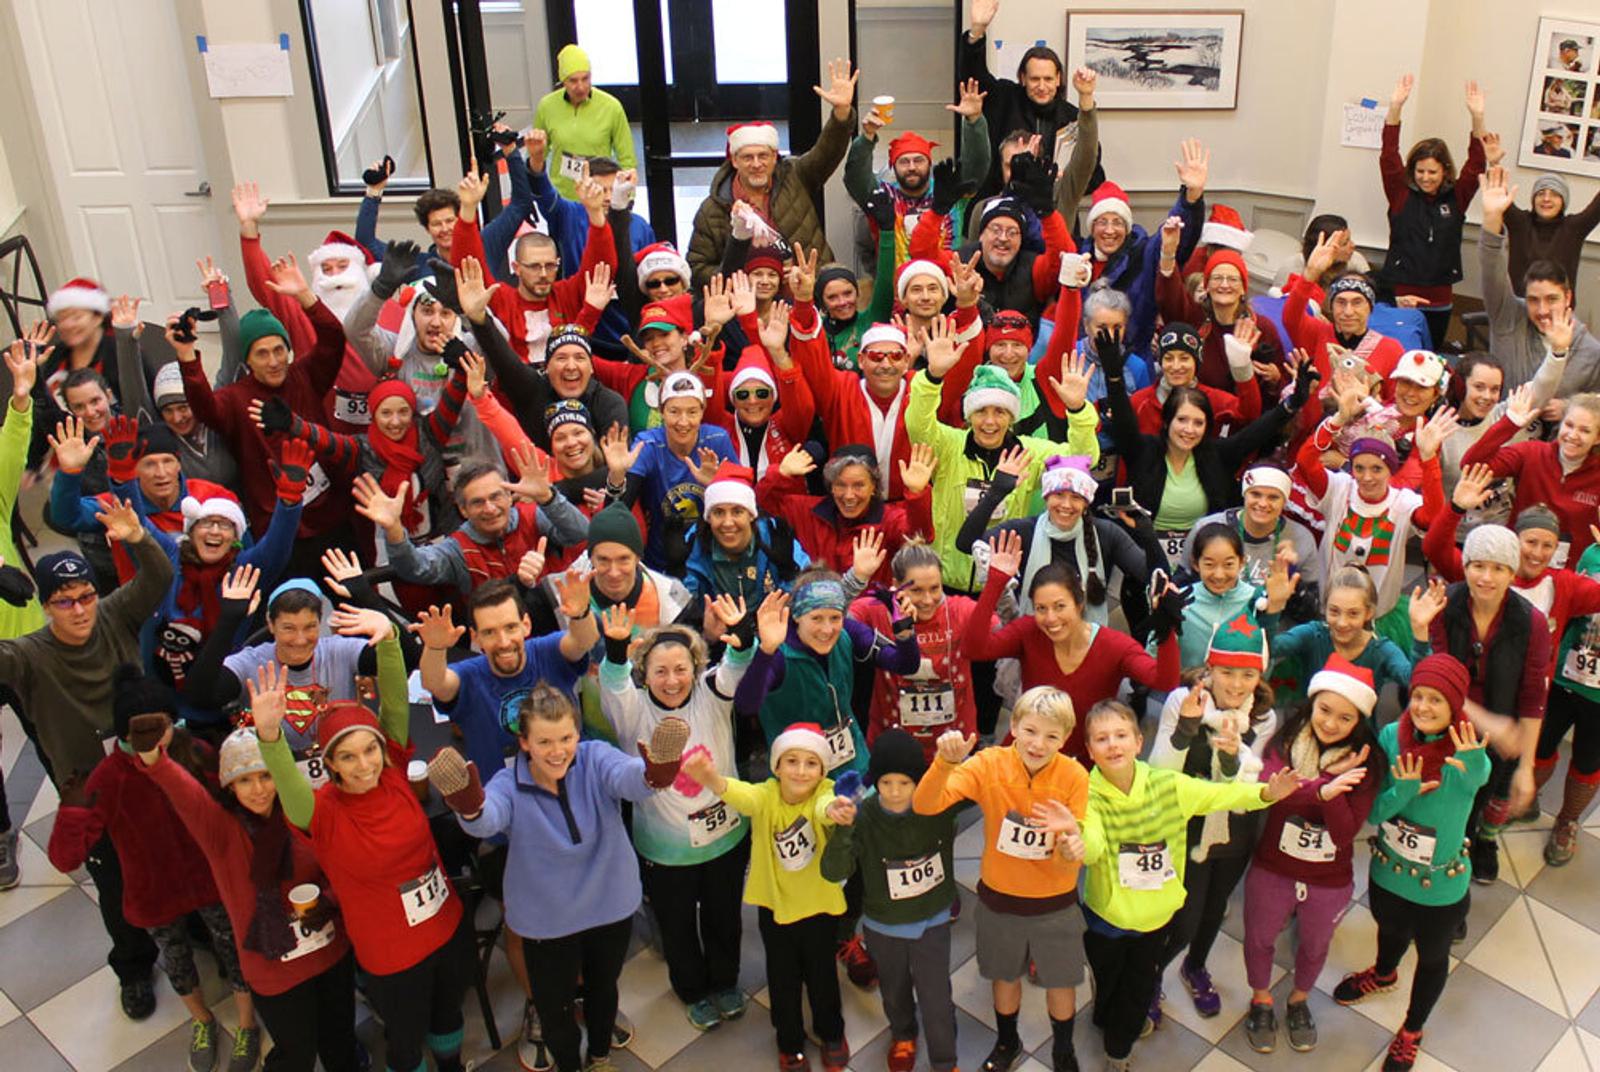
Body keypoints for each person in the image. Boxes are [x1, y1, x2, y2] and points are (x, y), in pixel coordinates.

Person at [256, 616, 477, 1072]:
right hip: (392, 955)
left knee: (449, 1014)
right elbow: (286, 785)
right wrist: (270, 738)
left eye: (370, 750)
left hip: (447, 925)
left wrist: (390, 640)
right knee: (405, 1040)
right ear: (331, 764)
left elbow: (394, 704)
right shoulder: (321, 813)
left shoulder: (393, 772)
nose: (364, 765)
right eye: (348, 756)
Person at [435, 678, 682, 1072]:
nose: (557, 751)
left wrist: (654, 774)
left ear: (577, 734)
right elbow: (488, 819)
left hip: (609, 904)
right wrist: (471, 806)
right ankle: (569, 1065)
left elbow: (628, 778)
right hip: (545, 920)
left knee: (603, 990)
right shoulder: (508, 783)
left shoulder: (596, 757)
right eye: (545, 742)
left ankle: (599, 1057)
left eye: (566, 738)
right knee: (555, 1008)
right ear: (525, 743)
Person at [415, 578, 596, 1067]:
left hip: (573, 811)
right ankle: (539, 1006)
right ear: (475, 638)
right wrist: (435, 647)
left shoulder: (546, 651)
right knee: (522, 925)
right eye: (490, 632)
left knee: (582, 911)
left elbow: (580, 642)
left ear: (526, 624)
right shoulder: (470, 674)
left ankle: (581, 994)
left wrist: (580, 612)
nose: (503, 640)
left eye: (510, 627)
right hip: (509, 831)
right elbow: (437, 684)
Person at [0, 499, 169, 1018]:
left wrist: (138, 537)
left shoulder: (115, 615)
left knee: (171, 856)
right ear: (46, 607)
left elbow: (158, 578)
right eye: (64, 601)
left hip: (150, 772)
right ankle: (134, 967)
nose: (79, 609)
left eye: (86, 596)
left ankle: (190, 932)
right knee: (115, 883)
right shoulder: (28, 656)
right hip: (92, 795)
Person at [1069, 699, 1300, 1072]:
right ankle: (1106, 1014)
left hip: (1156, 916)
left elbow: (1220, 796)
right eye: (1102, 738)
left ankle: (1118, 1051)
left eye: (1121, 735)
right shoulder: (1086, 794)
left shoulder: (1168, 785)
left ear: (1138, 742)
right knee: (1108, 979)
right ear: (1090, 749)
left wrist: (1266, 794)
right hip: (1106, 917)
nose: (1113, 745)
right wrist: (1075, 843)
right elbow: (1092, 845)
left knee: (1138, 986)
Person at [47, 668, 258, 1072]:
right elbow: (66, 858)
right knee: (176, 959)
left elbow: (236, 805)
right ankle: (201, 1020)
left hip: (211, 880)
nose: (154, 739)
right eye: (141, 730)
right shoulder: (108, 777)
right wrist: (72, 811)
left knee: (235, 949)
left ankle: (247, 1023)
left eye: (160, 726)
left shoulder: (194, 751)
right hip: (153, 890)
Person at [142, 694, 361, 1072]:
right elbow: (186, 795)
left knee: (341, 1043)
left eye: (265, 776)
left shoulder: (304, 812)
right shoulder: (221, 832)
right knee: (297, 1054)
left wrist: (328, 898)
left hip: (330, 952)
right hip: (274, 970)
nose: (258, 789)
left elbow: (341, 869)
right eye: (245, 780)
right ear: (230, 786)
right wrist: (154, 760)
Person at [598, 594, 777, 1030]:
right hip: (665, 851)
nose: (672, 680)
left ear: (696, 667)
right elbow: (614, 686)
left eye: (681, 669)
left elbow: (736, 666)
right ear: (645, 674)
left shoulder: (711, 692)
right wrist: (616, 650)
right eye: (660, 671)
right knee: (677, 926)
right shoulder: (633, 709)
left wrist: (743, 635)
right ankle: (692, 990)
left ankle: (725, 982)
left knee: (724, 917)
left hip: (726, 840)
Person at [913, 688, 1089, 1072]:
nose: (1038, 744)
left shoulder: (1075, 776)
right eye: (1030, 731)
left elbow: (1073, 845)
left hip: (1056, 902)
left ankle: (1063, 1050)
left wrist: (1071, 845)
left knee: (1060, 981)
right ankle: (1007, 1041)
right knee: (1003, 975)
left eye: (1051, 736)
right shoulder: (988, 764)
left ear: (1065, 738)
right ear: (1014, 725)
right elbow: (926, 805)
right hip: (1000, 898)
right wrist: (945, 763)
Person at [1332, 654, 1489, 1072]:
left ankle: (1412, 1030)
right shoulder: (1390, 736)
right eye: (1418, 696)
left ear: (1454, 706)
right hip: (1389, 871)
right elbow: (1375, 812)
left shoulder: (1466, 750)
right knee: (1390, 929)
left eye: (1436, 700)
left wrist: (1476, 764)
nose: (1423, 706)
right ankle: (1384, 974)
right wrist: (1402, 790)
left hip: (1439, 885)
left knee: (1433, 955)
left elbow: (1478, 777)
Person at [682, 723, 857, 1072]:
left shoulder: (824, 792)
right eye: (791, 761)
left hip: (820, 908)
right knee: (782, 978)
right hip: (776, 909)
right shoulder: (766, 795)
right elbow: (741, 795)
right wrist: (711, 778)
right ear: (776, 766)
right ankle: (789, 1041)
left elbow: (825, 807)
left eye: (811, 763)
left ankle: (831, 1031)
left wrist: (836, 811)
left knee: (822, 974)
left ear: (823, 770)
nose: (800, 771)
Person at [1242, 655, 1383, 1054]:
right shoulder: (1287, 741)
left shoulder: (1367, 762)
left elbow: (1344, 833)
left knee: (1316, 944)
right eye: (1325, 710)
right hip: (1273, 865)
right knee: (1259, 937)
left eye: (1345, 717)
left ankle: (1299, 999)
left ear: (1359, 721)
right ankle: (1261, 999)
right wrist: (1325, 788)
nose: (1331, 724)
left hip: (1328, 879)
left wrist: (1329, 794)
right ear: (1312, 703)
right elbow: (1274, 792)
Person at [1147, 616, 1279, 1032]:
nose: (1237, 685)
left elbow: (1246, 789)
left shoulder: (1263, 718)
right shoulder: (1182, 700)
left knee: (1215, 907)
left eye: (1248, 675)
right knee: (1185, 918)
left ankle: (1196, 966)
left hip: (1236, 829)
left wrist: (1231, 758)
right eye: (1226, 672)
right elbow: (1158, 773)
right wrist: (1187, 727)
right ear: (1210, 668)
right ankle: (1151, 975)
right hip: (1187, 826)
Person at [908, 314, 1099, 593]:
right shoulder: (949, 445)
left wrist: (1078, 410)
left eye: (999, 412)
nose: (989, 422)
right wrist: (932, 377)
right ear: (969, 416)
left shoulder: (1029, 453)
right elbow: (918, 424)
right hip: (945, 581)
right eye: (980, 412)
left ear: (1011, 418)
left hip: (1002, 583)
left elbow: (1082, 460)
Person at [175, 257, 352, 557]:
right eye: (262, 354)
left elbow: (333, 339)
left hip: (332, 517)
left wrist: (305, 297)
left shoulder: (305, 375)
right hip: (279, 530)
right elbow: (204, 407)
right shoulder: (235, 398)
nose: (273, 361)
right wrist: (187, 356)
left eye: (279, 350)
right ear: (247, 360)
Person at [962, 529, 1185, 762]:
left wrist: (1166, 630)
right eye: (1041, 608)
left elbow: (1164, 681)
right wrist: (996, 582)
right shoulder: (1028, 631)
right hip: (1026, 756)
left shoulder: (1114, 646)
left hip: (1084, 765)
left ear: (1079, 604)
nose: (1050, 618)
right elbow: (974, 649)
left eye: (1060, 606)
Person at [1103, 329, 1314, 564]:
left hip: (1204, 561)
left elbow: (1257, 431)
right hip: (1145, 556)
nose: (1189, 430)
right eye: (1182, 420)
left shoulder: (1216, 454)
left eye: (1198, 423)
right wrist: (1114, 378)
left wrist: (1293, 403)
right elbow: (1124, 423)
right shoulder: (1144, 450)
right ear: (1167, 422)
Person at [822, 729, 962, 1072]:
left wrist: (953, 762)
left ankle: (945, 1059)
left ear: (919, 782)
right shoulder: (864, 814)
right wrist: (843, 829)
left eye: (905, 783)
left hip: (932, 919)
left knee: (936, 995)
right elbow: (833, 871)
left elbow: (980, 789)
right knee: (894, 989)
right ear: (875, 782)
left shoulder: (938, 805)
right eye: (886, 783)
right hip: (883, 924)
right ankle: (903, 1033)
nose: (895, 792)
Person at [1427, 524, 1552, 886]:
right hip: (1446, 720)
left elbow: (1533, 696)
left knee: (1484, 795)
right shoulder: (1445, 605)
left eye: (1499, 568)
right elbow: (1435, 678)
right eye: (1478, 565)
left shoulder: (1531, 622)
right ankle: (1446, 858)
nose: (1486, 577)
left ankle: (1476, 843)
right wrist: (1485, 721)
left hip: (1501, 728)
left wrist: (1526, 767)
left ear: (1513, 573)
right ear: (1465, 566)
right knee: (1445, 799)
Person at [687, 60, 859, 288]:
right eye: (747, 157)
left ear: (775, 156)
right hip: (750, 299)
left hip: (809, 287)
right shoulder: (712, 209)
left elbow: (826, 153)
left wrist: (841, 113)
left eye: (763, 156)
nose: (756, 164)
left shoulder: (794, 176)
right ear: (734, 161)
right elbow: (698, 269)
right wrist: (752, 277)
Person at [1294, 397, 1447, 646]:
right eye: (1359, 468)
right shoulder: (1338, 489)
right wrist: (1338, 419)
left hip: (1379, 617)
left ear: (1390, 470)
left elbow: (1433, 517)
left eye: (1377, 469)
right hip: (1331, 614)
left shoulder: (1403, 503)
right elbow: (1306, 460)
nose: (1366, 477)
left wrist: (1429, 459)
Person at [232, 184, 380, 433]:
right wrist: (249, 228)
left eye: (342, 266)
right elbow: (264, 283)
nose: (334, 276)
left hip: (385, 430)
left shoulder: (389, 311)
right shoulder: (304, 315)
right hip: (323, 432)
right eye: (326, 269)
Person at [960, 454, 1163, 627]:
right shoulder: (1024, 531)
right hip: (1031, 639)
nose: (1066, 505)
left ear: (1086, 503)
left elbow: (1153, 574)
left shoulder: (1106, 533)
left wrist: (1147, 533)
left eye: (1076, 497)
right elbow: (966, 543)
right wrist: (995, 494)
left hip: (1087, 642)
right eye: (1058, 494)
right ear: (1046, 497)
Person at [360, 455, 589, 595]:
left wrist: (548, 497)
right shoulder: (458, 548)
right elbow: (416, 568)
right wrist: (394, 529)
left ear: (510, 497)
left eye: (496, 497)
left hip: (558, 623)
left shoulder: (532, 516)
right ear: (463, 510)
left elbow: (581, 533)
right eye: (478, 502)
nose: (490, 508)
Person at [450, 172, 615, 363]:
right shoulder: (500, 298)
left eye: (550, 266)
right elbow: (468, 265)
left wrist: (595, 214)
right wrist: (468, 209)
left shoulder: (567, 295)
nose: (544, 274)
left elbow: (602, 268)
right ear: (516, 267)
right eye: (534, 266)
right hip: (514, 381)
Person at [850, 540, 989, 760]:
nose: (927, 600)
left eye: (935, 588)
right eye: (916, 590)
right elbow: (831, 618)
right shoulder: (876, 610)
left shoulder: (960, 609)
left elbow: (1007, 631)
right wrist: (855, 579)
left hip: (955, 747)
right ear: (895, 585)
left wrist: (1000, 587)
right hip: (893, 748)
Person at [1377, 75, 1489, 348]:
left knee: (1431, 354)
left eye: (1432, 172)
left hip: (1439, 295)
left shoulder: (1456, 197)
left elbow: (1477, 163)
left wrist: (1477, 118)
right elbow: (1389, 154)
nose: (1425, 178)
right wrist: (1395, 108)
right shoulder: (1400, 193)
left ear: (1445, 172)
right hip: (1401, 292)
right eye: (1420, 171)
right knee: (1398, 352)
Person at [1477, 166, 1600, 398]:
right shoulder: (1507, 316)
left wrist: (1566, 407)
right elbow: (1491, 263)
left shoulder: (1588, 350)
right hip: (1513, 314)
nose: (1543, 310)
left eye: (1551, 299)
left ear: (1567, 297)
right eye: (1541, 193)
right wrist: (1492, 216)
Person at [959, 0, 1103, 197]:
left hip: (1052, 207)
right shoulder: (1005, 98)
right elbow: (974, 79)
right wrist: (977, 31)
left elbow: (1095, 173)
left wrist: (1065, 179)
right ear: (1023, 78)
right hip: (998, 204)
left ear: (1058, 79)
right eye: (1035, 79)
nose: (1042, 87)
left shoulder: (1072, 118)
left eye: (1048, 79)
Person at [844, 79, 991, 267]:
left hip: (947, 280)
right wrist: (867, 137)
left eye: (919, 160)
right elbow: (855, 178)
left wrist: (974, 122)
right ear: (893, 167)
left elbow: (977, 167)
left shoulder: (949, 192)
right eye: (904, 161)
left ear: (930, 164)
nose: (912, 167)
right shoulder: (882, 198)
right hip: (896, 284)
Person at [1461, 385, 1600, 566]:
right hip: (1516, 565)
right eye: (1569, 425)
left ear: (1597, 438)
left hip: (1574, 573)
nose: (1573, 435)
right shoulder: (1532, 452)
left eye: (1585, 430)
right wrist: (1509, 424)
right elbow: (1472, 464)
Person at [759, 443, 936, 585]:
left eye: (859, 485)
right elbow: (761, 507)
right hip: (816, 611)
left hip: (870, 613)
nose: (849, 495)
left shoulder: (889, 519)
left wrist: (917, 494)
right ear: (831, 486)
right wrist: (781, 474)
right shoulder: (807, 511)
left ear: (874, 487)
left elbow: (918, 537)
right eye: (840, 485)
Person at [1267, 567, 1443, 708]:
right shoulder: (1313, 634)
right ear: (1324, 607)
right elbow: (1270, 648)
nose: (1342, 623)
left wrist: (1420, 632)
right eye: (1334, 611)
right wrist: (1273, 608)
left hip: (1361, 737)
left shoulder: (1381, 650)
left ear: (1369, 613)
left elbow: (1414, 679)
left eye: (1353, 614)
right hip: (1311, 729)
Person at [0, 343, 45, 888]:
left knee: (49, 728)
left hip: (26, 638)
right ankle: (0, 832)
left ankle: (84, 809)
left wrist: (21, 399)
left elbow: (11, 450)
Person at [1154, 221, 1286, 393]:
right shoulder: (1196, 319)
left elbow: (1283, 384)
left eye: (1232, 279)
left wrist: (1275, 379)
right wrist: (1168, 253)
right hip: (1196, 404)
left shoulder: (1262, 328)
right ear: (1207, 286)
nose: (1224, 285)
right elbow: (1170, 299)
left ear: (1243, 288)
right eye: (1217, 278)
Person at [1181, 466, 1322, 609]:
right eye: (1255, 494)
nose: (1263, 504)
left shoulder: (1301, 537)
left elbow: (1312, 609)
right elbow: (1182, 585)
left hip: (1276, 620)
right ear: (1244, 494)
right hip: (1213, 618)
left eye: (1273, 497)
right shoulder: (1206, 527)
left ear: (1285, 501)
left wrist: (1291, 575)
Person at [683, 461, 810, 605]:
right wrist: (678, 574)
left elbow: (809, 600)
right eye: (718, 512)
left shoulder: (775, 536)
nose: (728, 523)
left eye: (737, 512)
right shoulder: (694, 542)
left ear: (751, 515)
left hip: (774, 617)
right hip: (713, 618)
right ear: (708, 518)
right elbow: (682, 607)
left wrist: (790, 575)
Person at [1125, 321, 1262, 438]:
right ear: (1160, 362)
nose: (1176, 366)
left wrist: (1241, 365)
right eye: (1168, 358)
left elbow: (1249, 414)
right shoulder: (1139, 402)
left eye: (1184, 358)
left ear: (1196, 362)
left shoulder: (1213, 400)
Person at [534, 45, 638, 199]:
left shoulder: (611, 107)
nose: (581, 87)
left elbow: (627, 158)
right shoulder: (547, 107)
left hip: (600, 196)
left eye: (585, 78)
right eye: (573, 81)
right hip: (562, 198)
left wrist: (628, 198)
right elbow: (537, 154)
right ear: (563, 81)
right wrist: (533, 192)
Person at [1499, 172, 1600, 298]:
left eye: (1554, 194)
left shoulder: (1573, 228)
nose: (1546, 199)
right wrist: (1494, 164)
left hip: (1559, 307)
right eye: (1541, 193)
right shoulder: (1520, 223)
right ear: (1533, 199)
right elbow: (1497, 194)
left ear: (1563, 201)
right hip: (1518, 306)